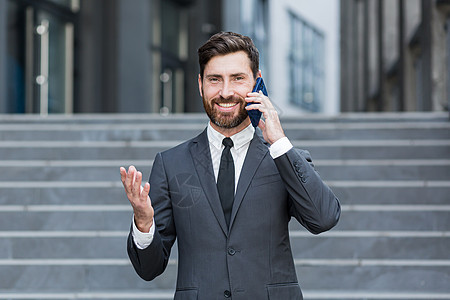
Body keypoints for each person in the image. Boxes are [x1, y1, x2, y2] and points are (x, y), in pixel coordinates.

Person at [120, 31, 340, 300]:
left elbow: (324, 218)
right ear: (200, 84)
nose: (225, 92)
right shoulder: (170, 164)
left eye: (237, 79)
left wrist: (279, 141)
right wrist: (143, 223)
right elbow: (149, 268)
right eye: (215, 80)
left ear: (257, 83)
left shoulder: (283, 157)